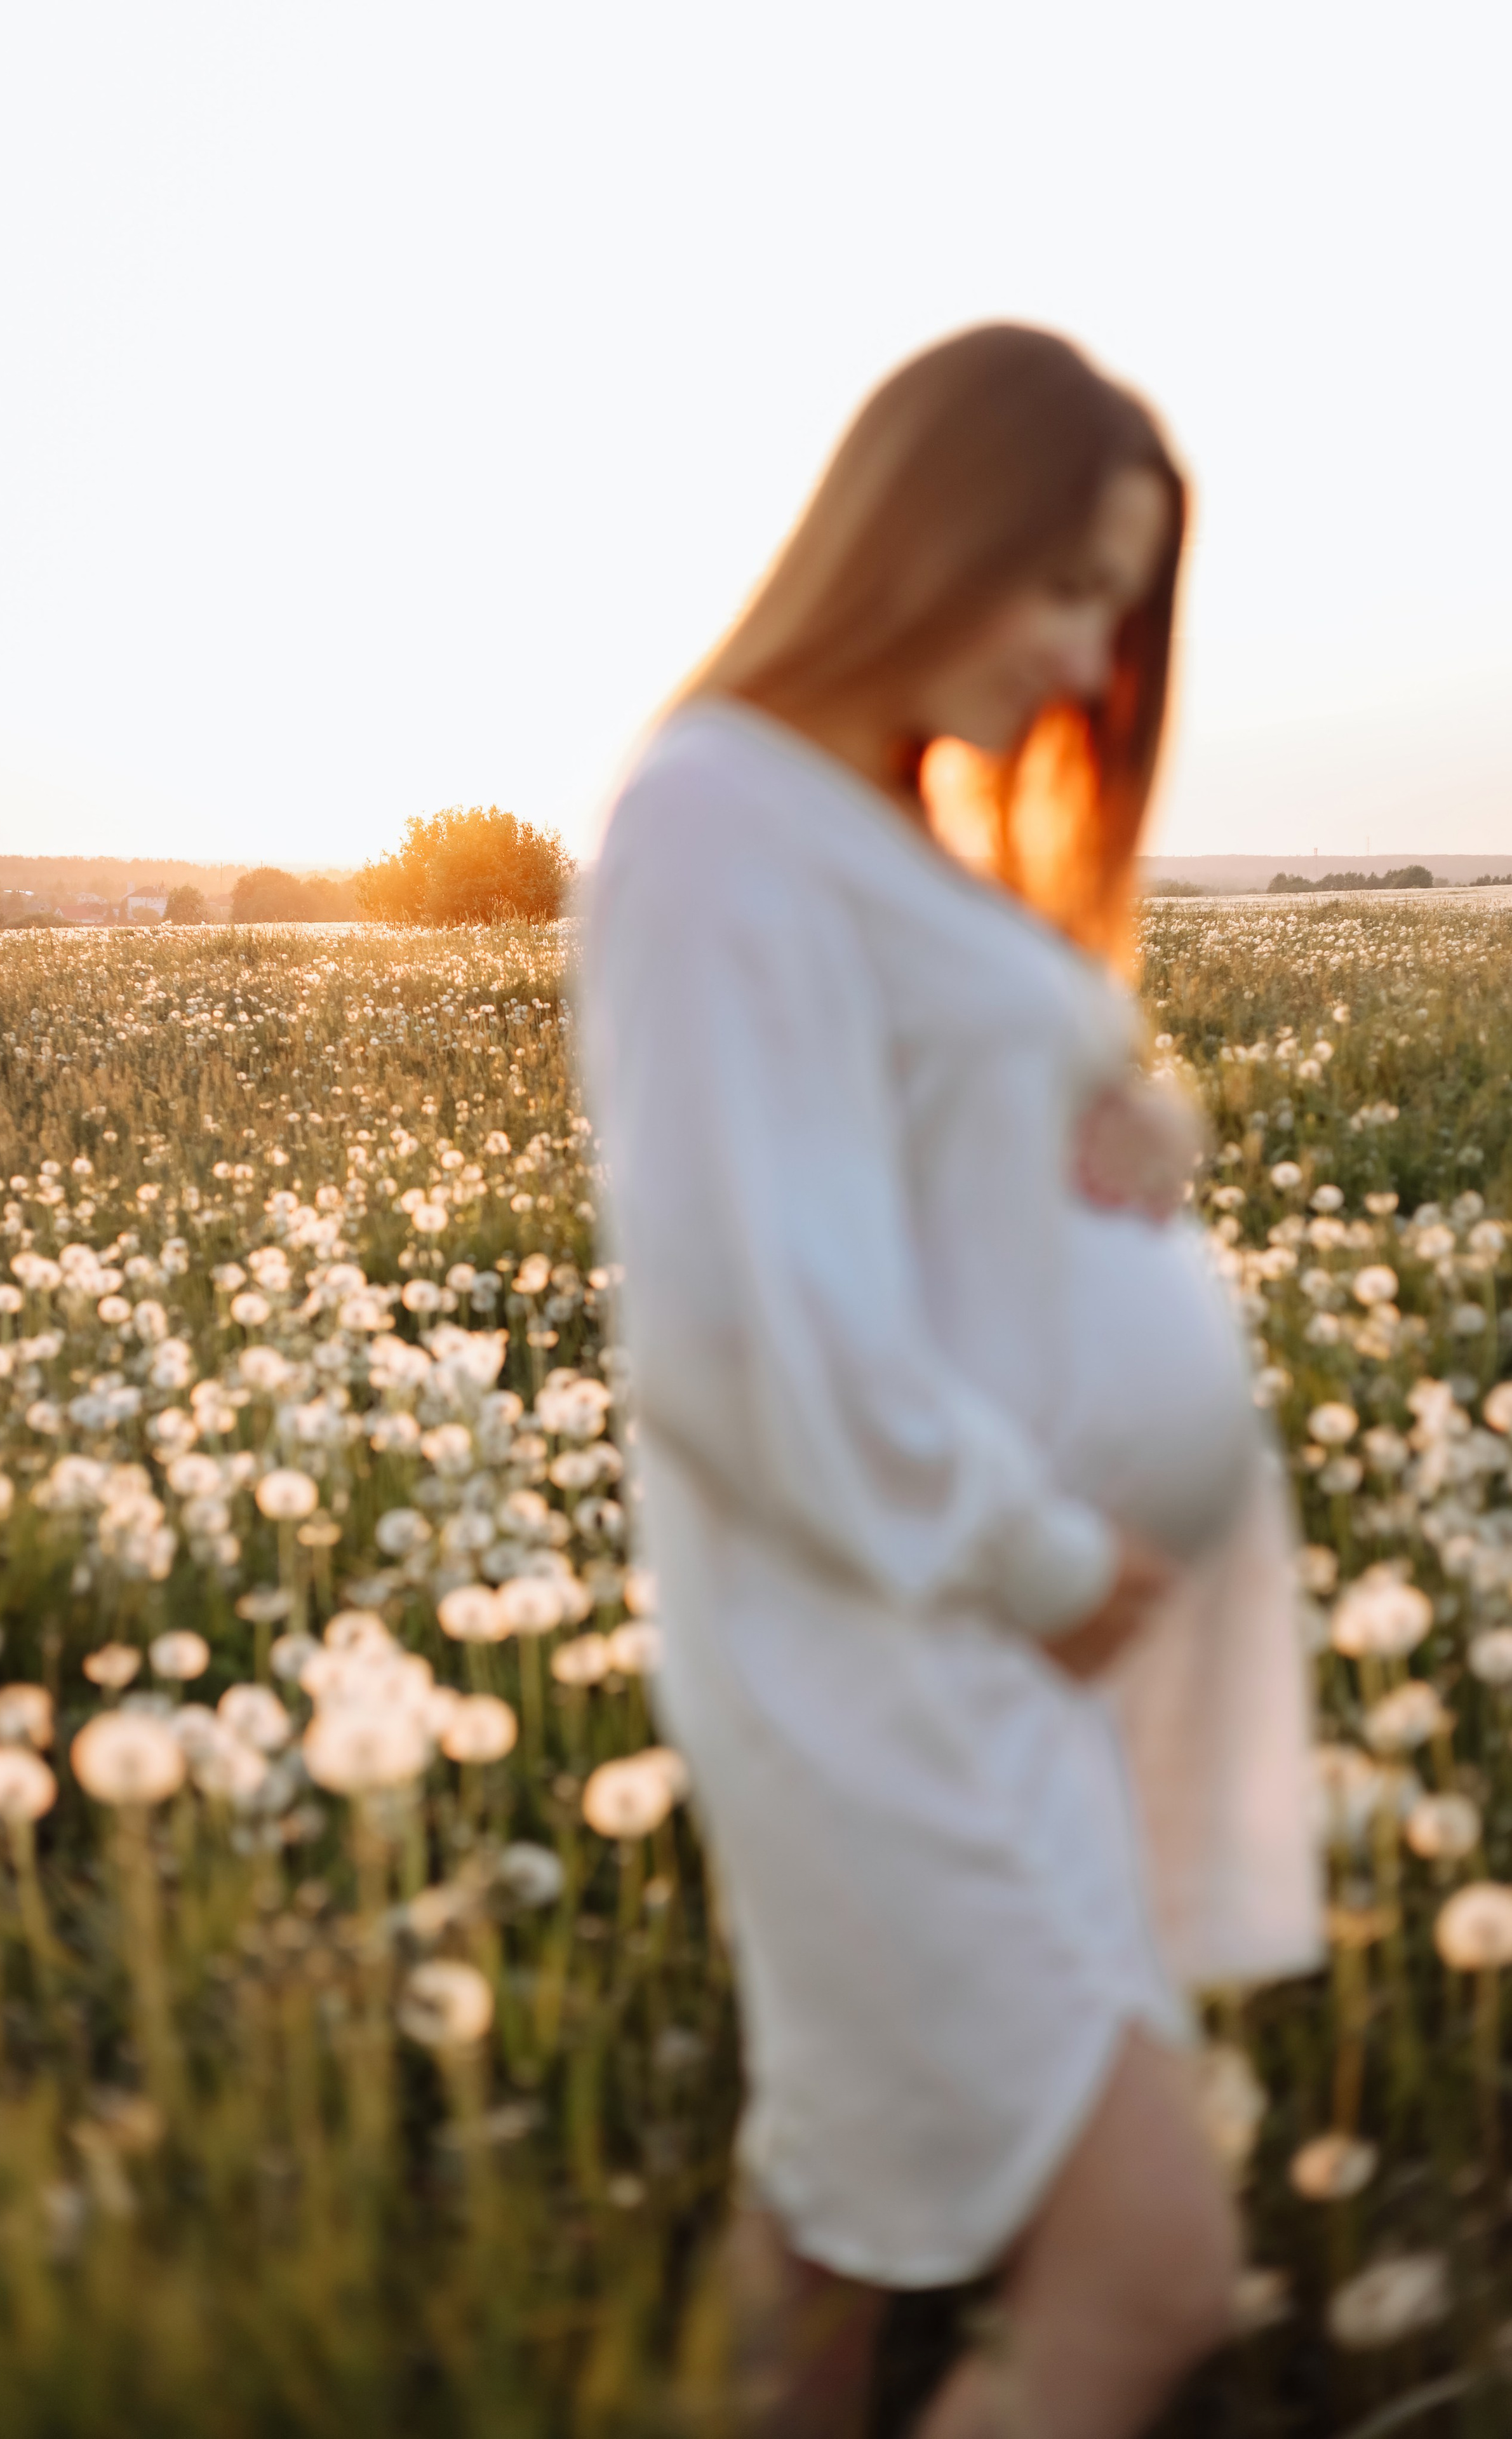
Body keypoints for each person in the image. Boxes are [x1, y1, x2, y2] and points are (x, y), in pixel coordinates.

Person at [576, 325, 1321, 2439]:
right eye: (1067, 582)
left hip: (984, 1646)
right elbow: (729, 1319)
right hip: (905, 1641)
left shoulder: (853, 823)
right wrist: (1020, 1547)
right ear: (922, 534)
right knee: (1152, 2271)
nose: (1094, 661)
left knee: (828, 2214)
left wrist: (1129, 1110)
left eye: (1124, 605)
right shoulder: (717, 817)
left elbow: (922, 1137)